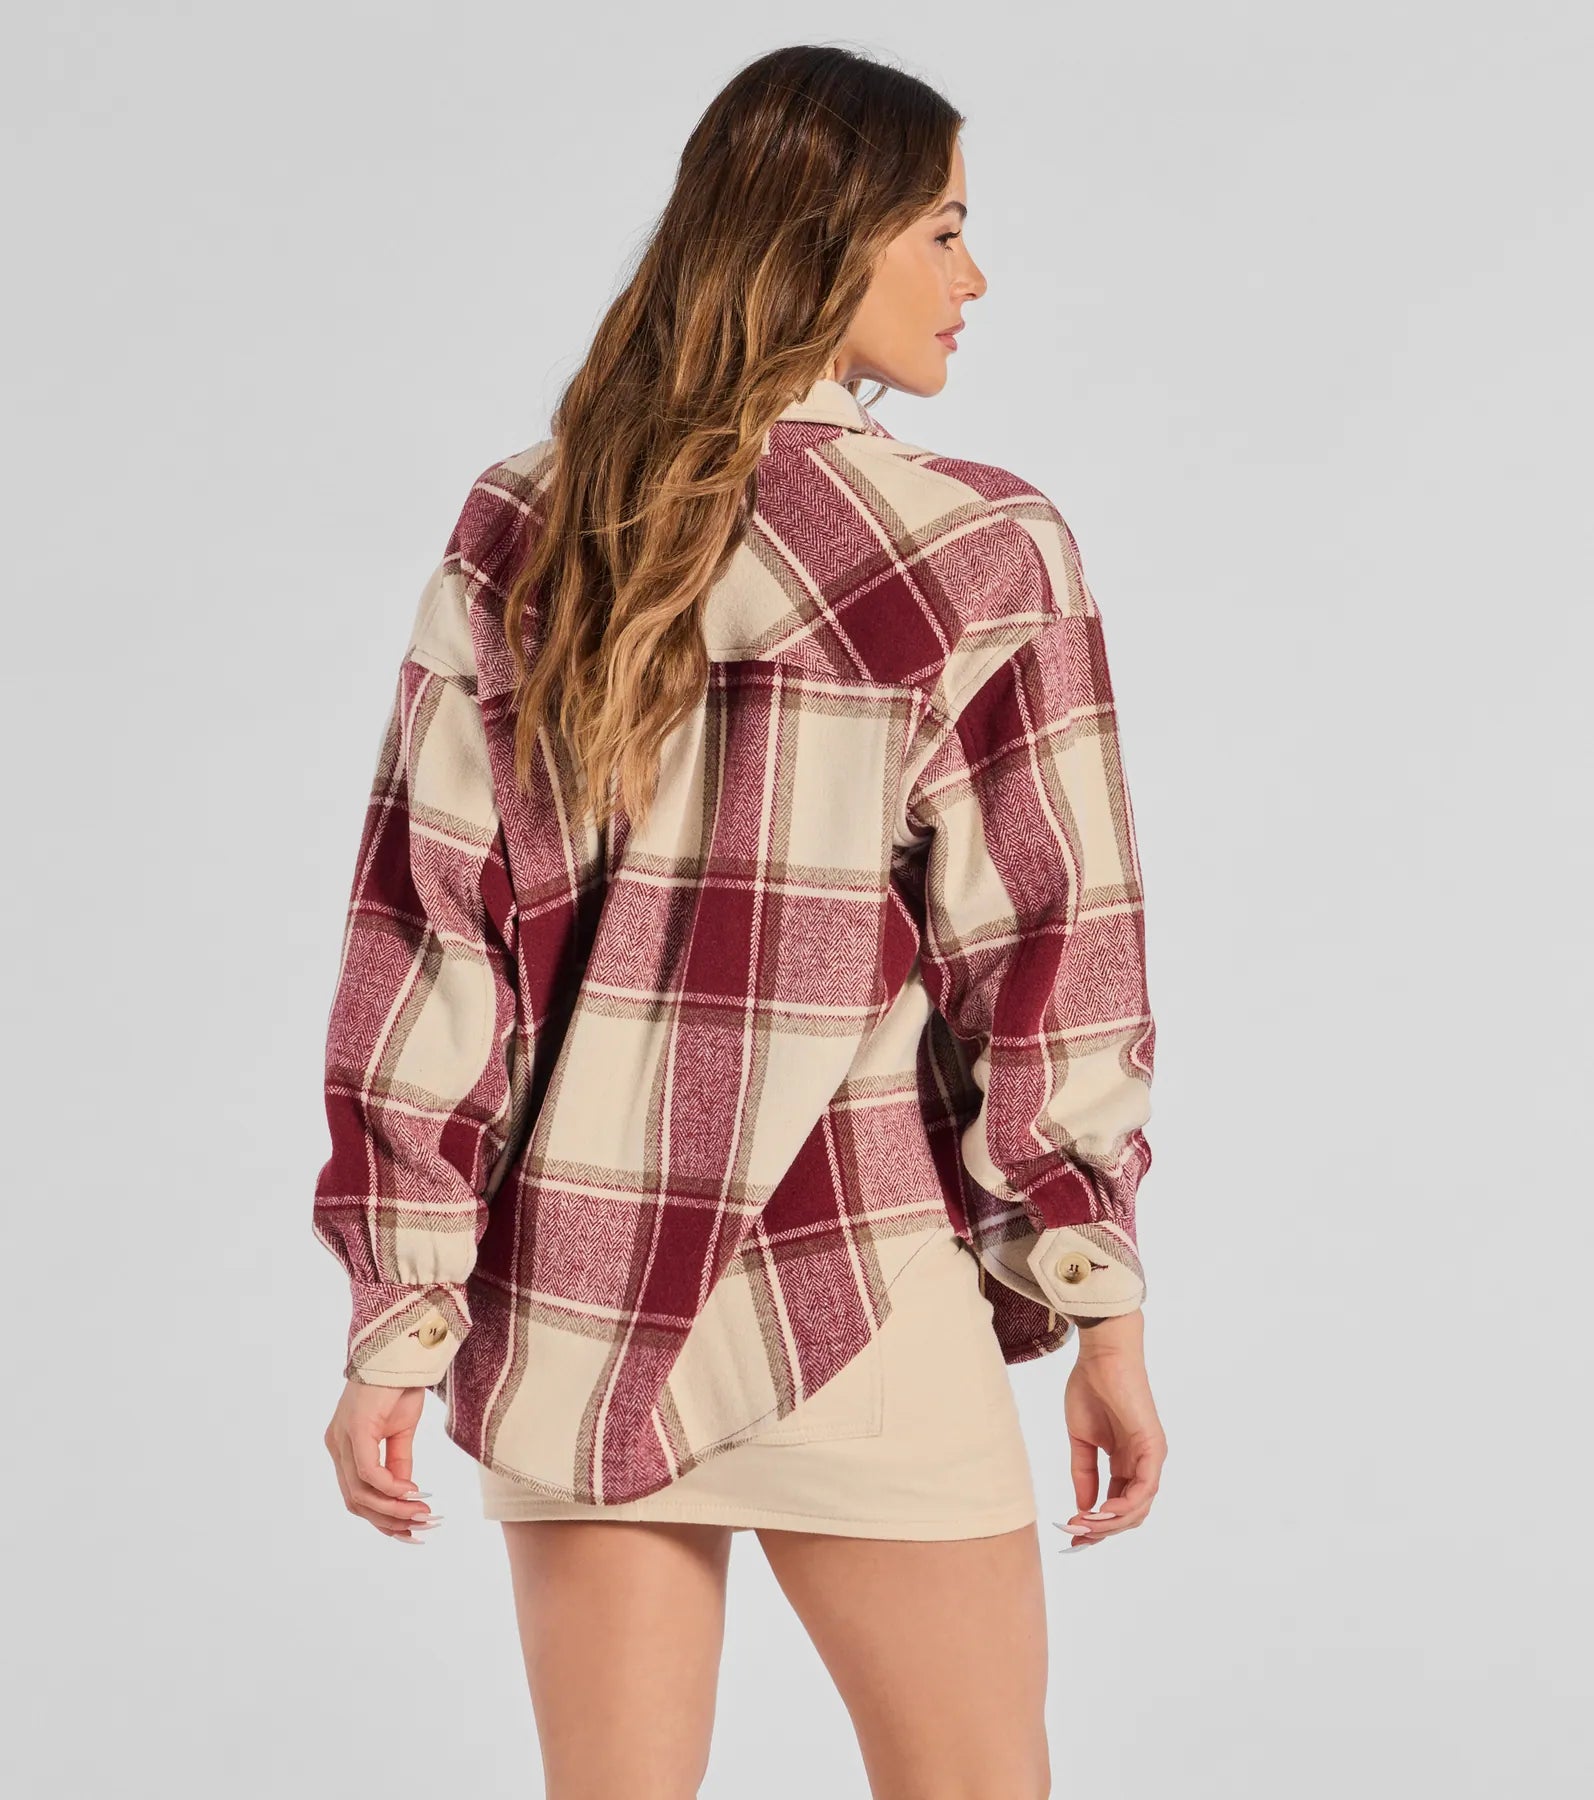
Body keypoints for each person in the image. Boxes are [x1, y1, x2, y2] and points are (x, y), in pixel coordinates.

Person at [312, 43, 1166, 1800]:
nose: (974, 275)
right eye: (941, 228)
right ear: (824, 238)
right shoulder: (977, 546)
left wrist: (403, 1315)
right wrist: (1097, 1300)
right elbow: (1047, 957)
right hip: (851, 1273)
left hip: (573, 1303)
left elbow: (425, 942)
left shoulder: (531, 524)